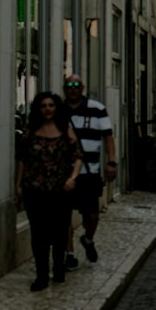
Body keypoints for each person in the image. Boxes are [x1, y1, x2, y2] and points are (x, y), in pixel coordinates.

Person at [15, 93, 82, 290]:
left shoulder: (66, 131)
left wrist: (73, 178)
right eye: (43, 105)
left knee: (60, 231)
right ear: (38, 108)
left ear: (56, 108)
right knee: (39, 233)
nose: (47, 109)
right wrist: (17, 184)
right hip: (34, 190)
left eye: (51, 105)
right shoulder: (30, 132)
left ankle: (59, 268)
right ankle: (42, 275)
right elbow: (22, 160)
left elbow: (78, 156)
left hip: (60, 190)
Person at [62, 75, 116, 267]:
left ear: (82, 88)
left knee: (91, 215)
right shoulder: (59, 111)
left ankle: (88, 239)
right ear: (64, 89)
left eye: (76, 85)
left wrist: (111, 162)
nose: (73, 89)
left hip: (90, 171)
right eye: (69, 86)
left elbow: (108, 137)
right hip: (65, 173)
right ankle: (69, 253)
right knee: (64, 214)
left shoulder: (97, 109)